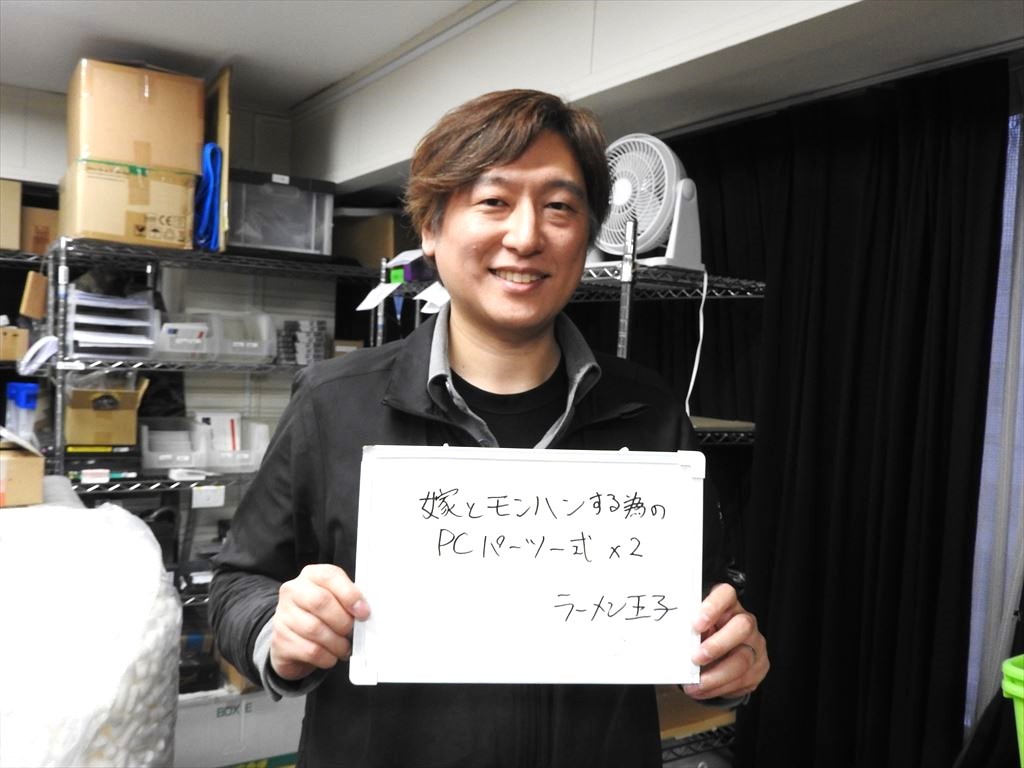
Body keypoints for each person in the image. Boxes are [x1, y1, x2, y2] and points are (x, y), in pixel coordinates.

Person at [210, 89, 769, 768]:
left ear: (588, 232)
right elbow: (236, 586)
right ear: (431, 227)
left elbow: (700, 605)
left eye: (559, 206)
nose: (527, 236)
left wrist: (729, 658)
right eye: (494, 201)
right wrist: (279, 626)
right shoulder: (332, 403)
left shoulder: (649, 411)